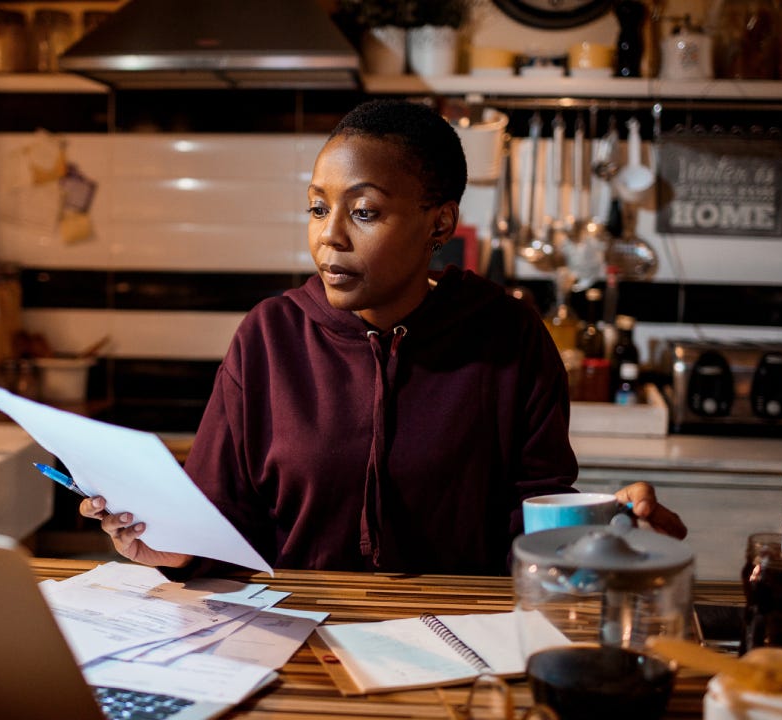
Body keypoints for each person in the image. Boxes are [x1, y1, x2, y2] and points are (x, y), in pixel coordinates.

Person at [82, 99, 686, 575]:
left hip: (463, 642)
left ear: (440, 223)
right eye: (319, 209)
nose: (330, 237)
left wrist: (611, 531)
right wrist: (174, 551)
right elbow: (223, 519)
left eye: (363, 212)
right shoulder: (269, 337)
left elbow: (536, 527)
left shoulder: (508, 336)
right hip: (296, 642)